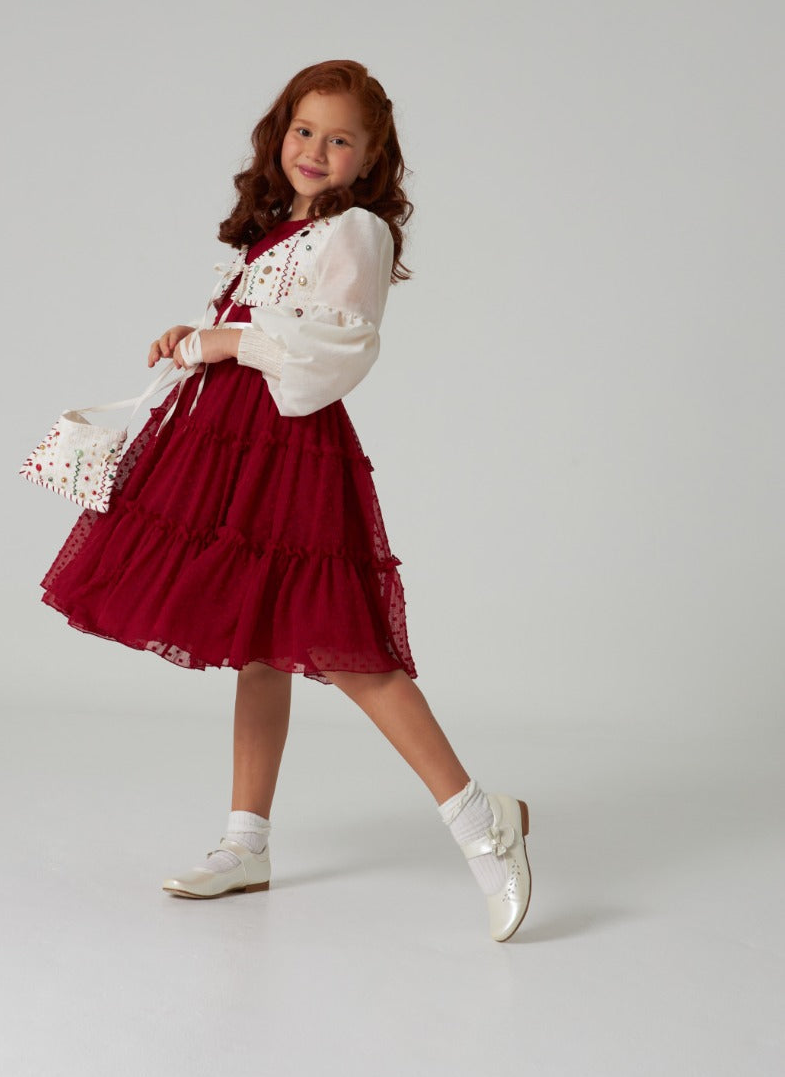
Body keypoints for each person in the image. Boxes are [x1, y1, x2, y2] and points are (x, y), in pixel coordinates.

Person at [39, 59, 531, 942]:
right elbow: (263, 329)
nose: (315, 149)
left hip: (287, 449)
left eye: (339, 139)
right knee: (256, 644)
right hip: (229, 444)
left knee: (346, 647)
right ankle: (246, 843)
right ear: (280, 133)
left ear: (370, 158)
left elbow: (338, 348)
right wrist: (197, 336)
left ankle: (478, 818)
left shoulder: (356, 232)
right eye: (304, 130)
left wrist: (226, 341)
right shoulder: (279, 230)